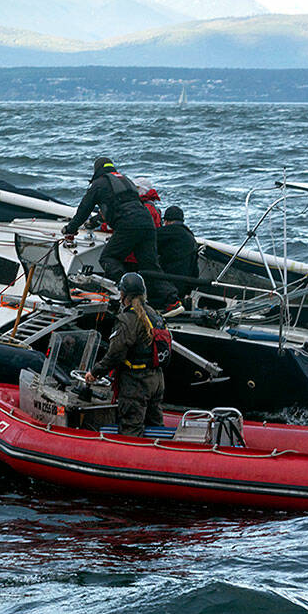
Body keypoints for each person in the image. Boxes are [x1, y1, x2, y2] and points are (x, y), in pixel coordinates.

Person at [62, 157, 177, 310]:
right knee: (150, 267)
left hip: (129, 225)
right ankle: (173, 301)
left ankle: (129, 293)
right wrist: (96, 221)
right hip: (147, 223)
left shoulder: (99, 184)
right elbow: (123, 205)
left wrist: (70, 229)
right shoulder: (126, 180)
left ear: (97, 170)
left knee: (109, 258)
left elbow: (84, 209)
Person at [86, 272, 165, 437]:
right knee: (155, 426)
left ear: (123, 295)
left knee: (131, 429)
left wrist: (95, 372)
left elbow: (115, 353)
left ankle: (131, 460)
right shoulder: (154, 314)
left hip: (136, 383)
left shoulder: (127, 319)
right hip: (156, 379)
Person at [156, 205, 199, 280]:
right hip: (187, 282)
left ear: (166, 221)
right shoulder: (190, 236)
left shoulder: (164, 232)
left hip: (169, 280)